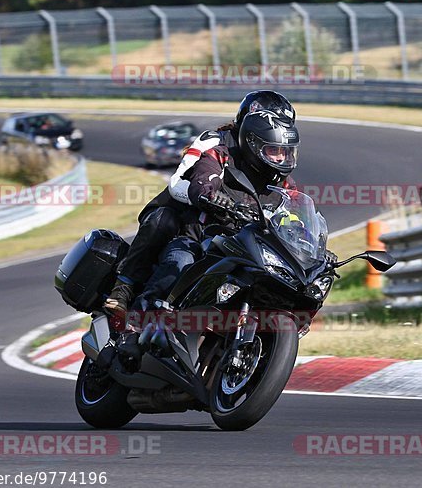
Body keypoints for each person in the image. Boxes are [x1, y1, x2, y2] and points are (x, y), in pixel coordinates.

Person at [116, 109, 300, 362]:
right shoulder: (221, 154)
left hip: (243, 251)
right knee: (179, 263)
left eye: (286, 152)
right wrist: (212, 196)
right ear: (255, 145)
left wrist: (306, 239)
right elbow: (202, 180)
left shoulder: (285, 185)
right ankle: (133, 327)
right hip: (199, 241)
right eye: (274, 151)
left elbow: (294, 216)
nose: (281, 158)